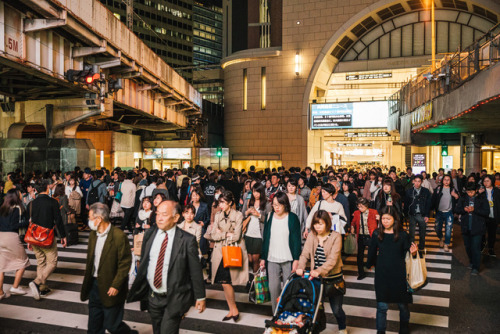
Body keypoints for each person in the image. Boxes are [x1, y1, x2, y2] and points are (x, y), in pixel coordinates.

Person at [127, 200, 206, 333]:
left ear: (175, 217)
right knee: (157, 330)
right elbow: (146, 261)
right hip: (153, 296)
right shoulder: (150, 234)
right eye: (157, 214)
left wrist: (200, 296)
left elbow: (195, 270)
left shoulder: (187, 240)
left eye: (164, 214)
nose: (159, 218)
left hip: (175, 297)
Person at [80, 203, 135, 334]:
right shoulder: (94, 235)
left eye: (90, 218)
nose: (89, 221)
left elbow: (125, 263)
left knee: (112, 325)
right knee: (94, 326)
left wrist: (116, 285)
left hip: (111, 287)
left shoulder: (118, 236)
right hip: (94, 285)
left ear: (98, 219)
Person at [366, 207, 418, 334]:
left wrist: (414, 253)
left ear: (395, 219)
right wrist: (369, 264)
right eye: (383, 218)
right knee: (381, 306)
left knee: (403, 305)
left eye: (388, 219)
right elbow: (372, 251)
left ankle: (404, 328)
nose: (385, 221)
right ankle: (380, 331)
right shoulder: (377, 234)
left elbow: (409, 254)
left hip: (400, 274)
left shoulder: (402, 235)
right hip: (382, 274)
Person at [296, 210, 347, 334]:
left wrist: (318, 271)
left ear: (328, 224)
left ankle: (342, 327)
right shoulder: (312, 236)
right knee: (316, 308)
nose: (317, 227)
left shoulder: (336, 236)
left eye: (321, 224)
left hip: (333, 279)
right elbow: (305, 254)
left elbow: (333, 260)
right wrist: (300, 266)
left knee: (336, 309)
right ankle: (316, 329)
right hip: (317, 280)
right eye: (315, 224)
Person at [260, 191, 302, 313]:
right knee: (274, 289)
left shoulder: (292, 218)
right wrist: (263, 257)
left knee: (290, 289)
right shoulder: (269, 217)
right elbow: (266, 238)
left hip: (288, 259)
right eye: (274, 205)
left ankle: (289, 314)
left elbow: (296, 240)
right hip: (272, 258)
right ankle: (276, 314)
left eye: (279, 205)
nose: (276, 207)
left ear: (285, 204)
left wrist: (296, 259)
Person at [210, 191, 249, 321]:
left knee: (227, 282)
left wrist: (222, 232)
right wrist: (226, 234)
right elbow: (213, 235)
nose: (220, 205)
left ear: (230, 203)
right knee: (223, 282)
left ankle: (234, 309)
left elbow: (237, 236)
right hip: (220, 252)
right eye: (220, 202)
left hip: (232, 250)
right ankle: (232, 309)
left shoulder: (238, 215)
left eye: (223, 202)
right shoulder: (217, 215)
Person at [28, 180, 67, 300]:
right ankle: (37, 282)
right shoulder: (53, 202)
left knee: (41, 262)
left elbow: (30, 221)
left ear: (36, 190)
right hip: (47, 236)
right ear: (47, 188)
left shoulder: (32, 203)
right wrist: (63, 236)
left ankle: (42, 288)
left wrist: (29, 240)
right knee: (52, 262)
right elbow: (58, 220)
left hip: (34, 236)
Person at [0, 189, 30, 299]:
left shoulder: (2, 208)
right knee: (23, 261)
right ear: (15, 197)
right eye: (19, 194)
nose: (21, 195)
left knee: (1, 267)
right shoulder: (17, 209)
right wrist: (28, 222)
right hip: (11, 237)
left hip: (0, 236)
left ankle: (0, 293)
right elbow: (14, 225)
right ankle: (15, 287)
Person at [456, 182, 490, 275]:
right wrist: (464, 210)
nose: (469, 193)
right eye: (468, 191)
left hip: (477, 227)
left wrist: (475, 210)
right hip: (465, 226)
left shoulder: (482, 199)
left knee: (475, 247)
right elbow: (457, 210)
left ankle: (476, 267)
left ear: (476, 190)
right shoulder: (463, 198)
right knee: (468, 247)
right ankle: (471, 261)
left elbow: (486, 212)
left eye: (471, 192)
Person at [242, 183, 272, 274]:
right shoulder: (249, 202)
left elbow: (269, 220)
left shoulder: (267, 203)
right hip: (248, 233)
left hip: (259, 235)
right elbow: (242, 215)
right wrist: (247, 213)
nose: (256, 194)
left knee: (255, 259)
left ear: (262, 192)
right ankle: (250, 279)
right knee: (249, 259)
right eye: (254, 192)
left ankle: (256, 281)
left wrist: (258, 215)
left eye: (258, 192)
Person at [350, 197, 378, 280]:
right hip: (361, 236)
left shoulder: (373, 212)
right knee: (360, 255)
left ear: (366, 205)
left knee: (372, 253)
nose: (360, 208)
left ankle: (376, 269)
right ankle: (361, 273)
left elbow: (378, 222)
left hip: (371, 236)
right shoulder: (356, 213)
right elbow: (353, 222)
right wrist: (352, 227)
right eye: (358, 206)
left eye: (361, 206)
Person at [431, 175, 459, 252]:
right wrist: (431, 209)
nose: (446, 181)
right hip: (439, 213)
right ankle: (440, 238)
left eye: (448, 180)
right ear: (442, 180)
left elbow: (458, 200)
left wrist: (456, 196)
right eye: (445, 180)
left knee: (448, 229)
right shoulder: (438, 189)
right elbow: (433, 200)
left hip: (449, 213)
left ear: (450, 181)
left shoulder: (452, 190)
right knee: (437, 228)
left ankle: (446, 244)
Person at [404, 175, 432, 252]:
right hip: (412, 214)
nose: (416, 183)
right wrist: (406, 215)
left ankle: (421, 248)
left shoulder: (426, 191)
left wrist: (427, 215)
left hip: (422, 214)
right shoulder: (409, 191)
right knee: (411, 234)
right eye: (415, 181)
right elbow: (406, 204)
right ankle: (412, 248)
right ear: (413, 181)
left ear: (421, 182)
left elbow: (428, 204)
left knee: (422, 233)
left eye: (418, 181)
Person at [478, 175, 500, 257]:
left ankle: (491, 249)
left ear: (492, 181)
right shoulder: (481, 191)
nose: (485, 183)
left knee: (492, 234)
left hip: (493, 215)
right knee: (482, 232)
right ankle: (482, 245)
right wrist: (478, 194)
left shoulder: (497, 191)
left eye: (487, 181)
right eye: (484, 181)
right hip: (484, 216)